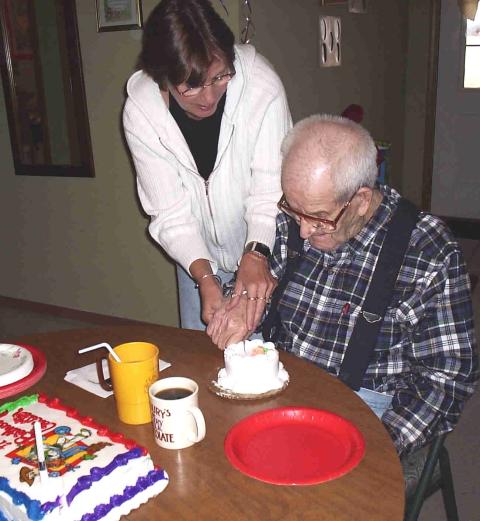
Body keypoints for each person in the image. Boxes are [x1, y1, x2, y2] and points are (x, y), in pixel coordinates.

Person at [207, 114, 478, 455]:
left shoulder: (428, 250)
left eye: (319, 218)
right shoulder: (296, 217)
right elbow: (254, 290)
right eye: (294, 211)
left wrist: (377, 449)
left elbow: (446, 378)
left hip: (366, 407)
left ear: (362, 200)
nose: (303, 231)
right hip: (278, 382)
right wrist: (240, 308)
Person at [123, 0, 291, 330]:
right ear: (163, 78)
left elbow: (271, 188)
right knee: (203, 360)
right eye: (191, 85)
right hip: (195, 254)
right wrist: (205, 277)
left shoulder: (261, 88)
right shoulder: (142, 112)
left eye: (220, 77)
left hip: (268, 244)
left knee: (270, 361)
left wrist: (256, 253)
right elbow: (169, 211)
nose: (208, 97)